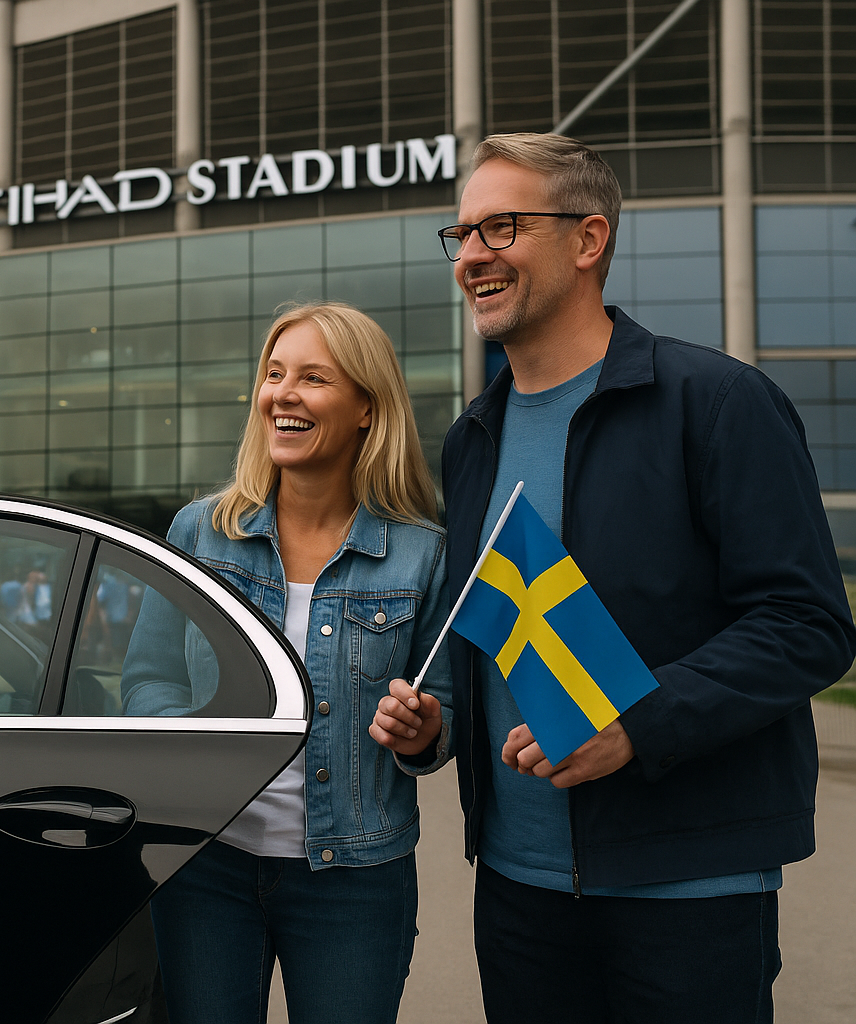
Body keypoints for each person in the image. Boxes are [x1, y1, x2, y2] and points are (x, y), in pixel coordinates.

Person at [438, 132, 855, 1024]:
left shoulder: (718, 402)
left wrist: (637, 725)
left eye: (502, 227)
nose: (473, 255)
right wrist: (432, 714)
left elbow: (807, 622)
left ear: (589, 241)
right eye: (464, 233)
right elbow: (478, 623)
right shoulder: (470, 438)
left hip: (691, 897)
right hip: (516, 891)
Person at [124, 302, 454, 1023]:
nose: (284, 393)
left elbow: (444, 713)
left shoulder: (422, 553)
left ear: (367, 409)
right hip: (207, 862)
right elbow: (147, 679)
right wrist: (194, 737)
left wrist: (423, 730)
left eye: (313, 377)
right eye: (274, 374)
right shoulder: (199, 532)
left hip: (357, 877)